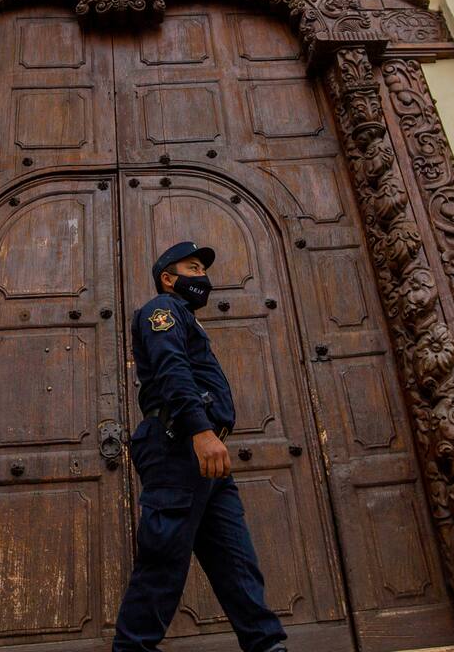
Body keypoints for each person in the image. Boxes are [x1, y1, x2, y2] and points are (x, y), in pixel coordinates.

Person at [113, 241, 288, 652]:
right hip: (181, 446)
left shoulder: (186, 317)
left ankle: (266, 645)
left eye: (202, 269)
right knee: (164, 558)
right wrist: (201, 431)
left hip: (205, 456)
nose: (202, 276)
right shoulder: (162, 309)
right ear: (168, 278)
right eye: (192, 268)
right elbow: (171, 368)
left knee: (235, 558)